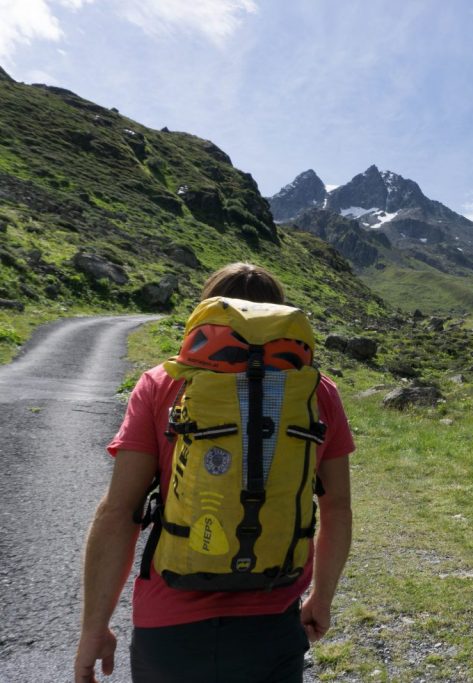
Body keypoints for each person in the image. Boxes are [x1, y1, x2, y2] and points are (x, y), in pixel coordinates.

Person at [74, 263, 354, 683]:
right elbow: (337, 509)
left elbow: (118, 512)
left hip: (169, 626)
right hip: (272, 620)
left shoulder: (160, 384)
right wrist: (322, 598)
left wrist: (94, 626)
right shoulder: (317, 392)